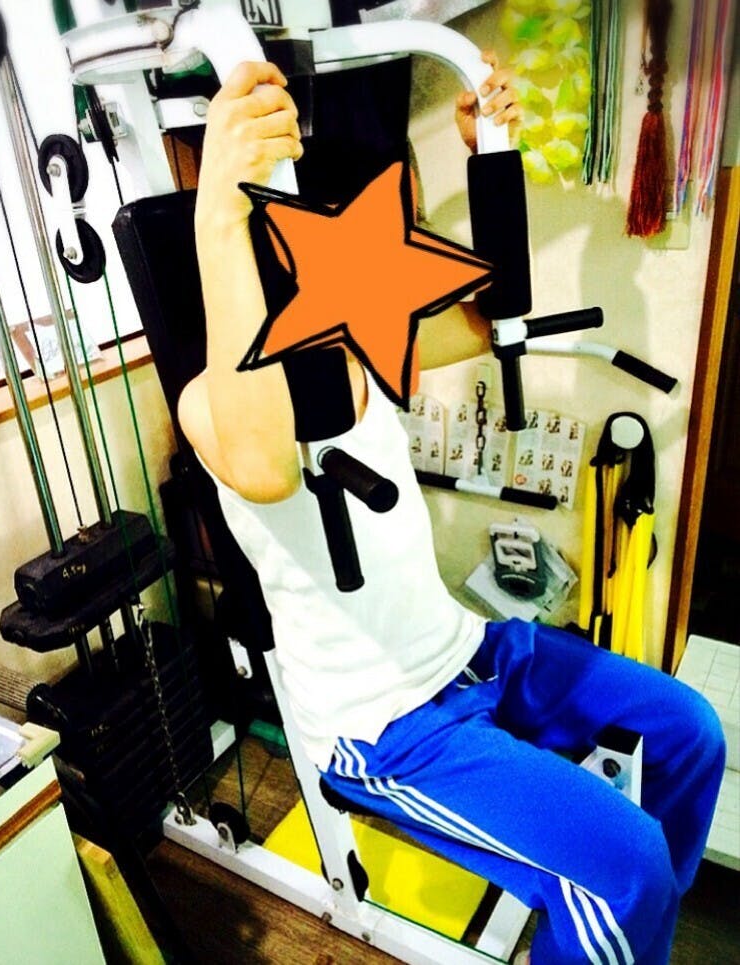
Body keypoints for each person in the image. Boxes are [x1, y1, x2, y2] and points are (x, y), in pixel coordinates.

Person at [178, 53, 725, 965]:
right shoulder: (216, 399)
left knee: (688, 737)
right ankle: (629, 905)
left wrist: (489, 158)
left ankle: (640, 921)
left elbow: (490, 317)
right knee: (621, 871)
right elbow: (267, 470)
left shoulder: (363, 339)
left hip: (467, 650)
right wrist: (218, 215)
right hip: (385, 732)